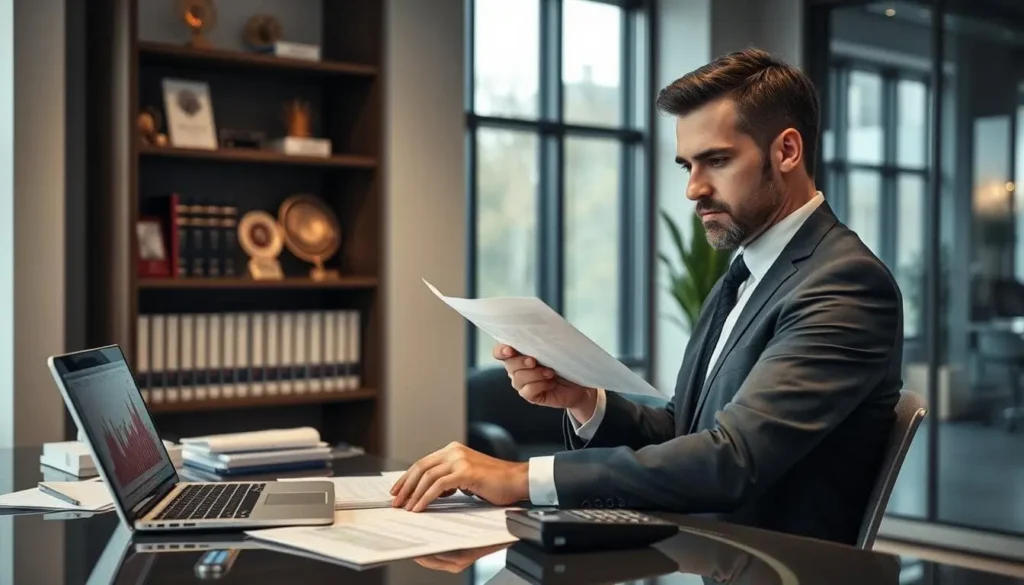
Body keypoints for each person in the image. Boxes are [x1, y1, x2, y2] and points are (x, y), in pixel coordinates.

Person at [390, 47, 904, 546]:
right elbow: (686, 430)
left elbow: (731, 462)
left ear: (786, 151)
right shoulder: (748, 271)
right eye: (687, 166)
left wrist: (521, 478)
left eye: (716, 161)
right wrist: (585, 401)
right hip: (701, 557)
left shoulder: (845, 285)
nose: (693, 189)